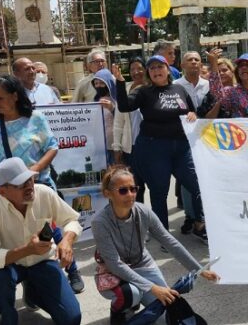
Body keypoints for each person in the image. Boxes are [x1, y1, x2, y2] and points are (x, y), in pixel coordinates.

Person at [0, 75, 84, 310]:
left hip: (37, 185)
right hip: (6, 191)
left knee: (52, 233)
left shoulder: (35, 119)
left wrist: (36, 168)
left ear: (15, 96)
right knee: (3, 241)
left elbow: (52, 146)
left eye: (0, 97)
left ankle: (70, 271)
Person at [92, 165, 220, 324]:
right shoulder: (100, 222)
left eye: (133, 189)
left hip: (143, 265)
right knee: (131, 294)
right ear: (108, 194)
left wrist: (199, 270)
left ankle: (138, 300)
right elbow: (115, 264)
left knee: (165, 317)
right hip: (115, 273)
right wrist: (152, 288)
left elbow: (170, 242)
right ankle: (120, 312)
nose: (130, 194)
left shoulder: (143, 212)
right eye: (123, 190)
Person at [0, 157, 82, 325]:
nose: (29, 186)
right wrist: (28, 249)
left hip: (43, 261)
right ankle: (7, 313)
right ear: (2, 191)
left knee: (71, 319)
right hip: (10, 265)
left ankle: (33, 292)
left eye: (30, 179)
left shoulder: (44, 192)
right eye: (20, 183)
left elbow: (72, 220)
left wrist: (67, 241)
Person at [113, 55, 206, 240]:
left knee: (197, 186)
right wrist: (120, 82)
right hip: (154, 148)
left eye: (160, 67)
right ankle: (164, 235)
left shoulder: (179, 89)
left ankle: (199, 224)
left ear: (167, 69)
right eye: (152, 68)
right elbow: (124, 106)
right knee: (159, 192)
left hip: (181, 148)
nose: (156, 71)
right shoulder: (144, 92)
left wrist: (193, 114)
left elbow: (192, 110)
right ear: (149, 72)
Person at [173, 52, 210, 236]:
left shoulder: (208, 85)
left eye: (197, 59)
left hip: (206, 138)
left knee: (203, 178)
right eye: (190, 60)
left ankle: (202, 217)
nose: (194, 62)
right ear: (182, 65)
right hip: (183, 138)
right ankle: (190, 216)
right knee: (188, 180)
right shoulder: (175, 86)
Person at [112, 58, 147, 203]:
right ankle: (137, 218)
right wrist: (117, 146)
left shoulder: (152, 88)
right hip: (130, 148)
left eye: (139, 68)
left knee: (156, 186)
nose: (136, 72)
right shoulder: (125, 90)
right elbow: (119, 121)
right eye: (132, 69)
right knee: (135, 187)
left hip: (149, 146)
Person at [92, 68, 117, 164]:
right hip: (99, 146)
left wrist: (112, 108)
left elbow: (123, 120)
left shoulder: (116, 100)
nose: (99, 86)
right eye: (96, 83)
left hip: (114, 147)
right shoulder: (95, 101)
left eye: (102, 83)